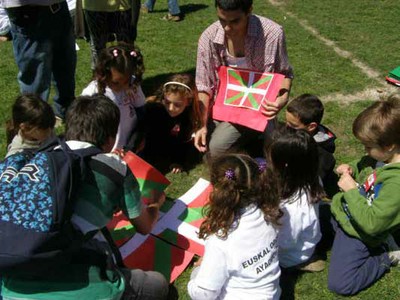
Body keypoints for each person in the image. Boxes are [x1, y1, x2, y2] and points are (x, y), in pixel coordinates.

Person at [1, 94, 169, 300]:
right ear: (110, 140)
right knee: (158, 285)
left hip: (11, 280)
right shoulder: (115, 168)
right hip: (76, 283)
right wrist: (154, 204)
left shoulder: (40, 155)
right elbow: (144, 227)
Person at [194, 0, 293, 157]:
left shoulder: (272, 33)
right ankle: (251, 137)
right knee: (213, 147)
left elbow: (285, 73)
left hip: (259, 108)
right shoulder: (208, 38)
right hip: (225, 106)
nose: (227, 28)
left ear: (249, 11)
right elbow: (204, 85)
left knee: (218, 148)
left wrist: (283, 98)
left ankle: (256, 135)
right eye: (222, 20)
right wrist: (201, 125)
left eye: (234, 21)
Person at [328, 94, 400, 296]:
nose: (365, 151)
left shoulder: (397, 184)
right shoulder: (385, 157)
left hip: (363, 232)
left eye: (368, 147)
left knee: (340, 284)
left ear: (388, 146)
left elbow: (372, 224)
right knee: (308, 217)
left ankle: (387, 254)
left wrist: (351, 190)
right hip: (347, 212)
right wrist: (351, 168)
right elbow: (365, 164)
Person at [187, 154, 282, 299]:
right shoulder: (269, 212)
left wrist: (198, 271)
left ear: (217, 192)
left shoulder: (221, 240)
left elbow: (203, 294)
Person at [3, 0, 76, 120]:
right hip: (30, 11)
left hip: (59, 8)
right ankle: (34, 125)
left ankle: (67, 115)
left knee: (66, 68)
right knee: (35, 78)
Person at [267, 127, 326, 271]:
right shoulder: (311, 178)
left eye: (270, 156)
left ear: (284, 165)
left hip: (290, 256)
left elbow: (286, 241)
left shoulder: (294, 207)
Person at [129, 73, 203, 174]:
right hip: (149, 148)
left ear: (188, 102)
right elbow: (141, 130)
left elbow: (184, 141)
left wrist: (178, 161)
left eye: (177, 105)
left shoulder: (189, 116)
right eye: (167, 102)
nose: (171, 108)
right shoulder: (153, 109)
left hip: (168, 150)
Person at [81, 42, 145, 151]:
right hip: (106, 149)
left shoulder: (133, 86)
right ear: (103, 74)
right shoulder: (93, 92)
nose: (122, 86)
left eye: (126, 81)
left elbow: (141, 111)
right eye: (116, 82)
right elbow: (85, 125)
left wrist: (137, 139)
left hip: (129, 144)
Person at [285, 94, 337, 192]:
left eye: (293, 125)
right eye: (286, 121)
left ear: (311, 126)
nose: (286, 127)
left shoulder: (322, 156)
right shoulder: (295, 133)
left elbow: (310, 187)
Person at [82, 0, 140, 69]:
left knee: (126, 47)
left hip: (121, 6)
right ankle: (100, 76)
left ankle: (128, 76)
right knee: (98, 47)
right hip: (94, 6)